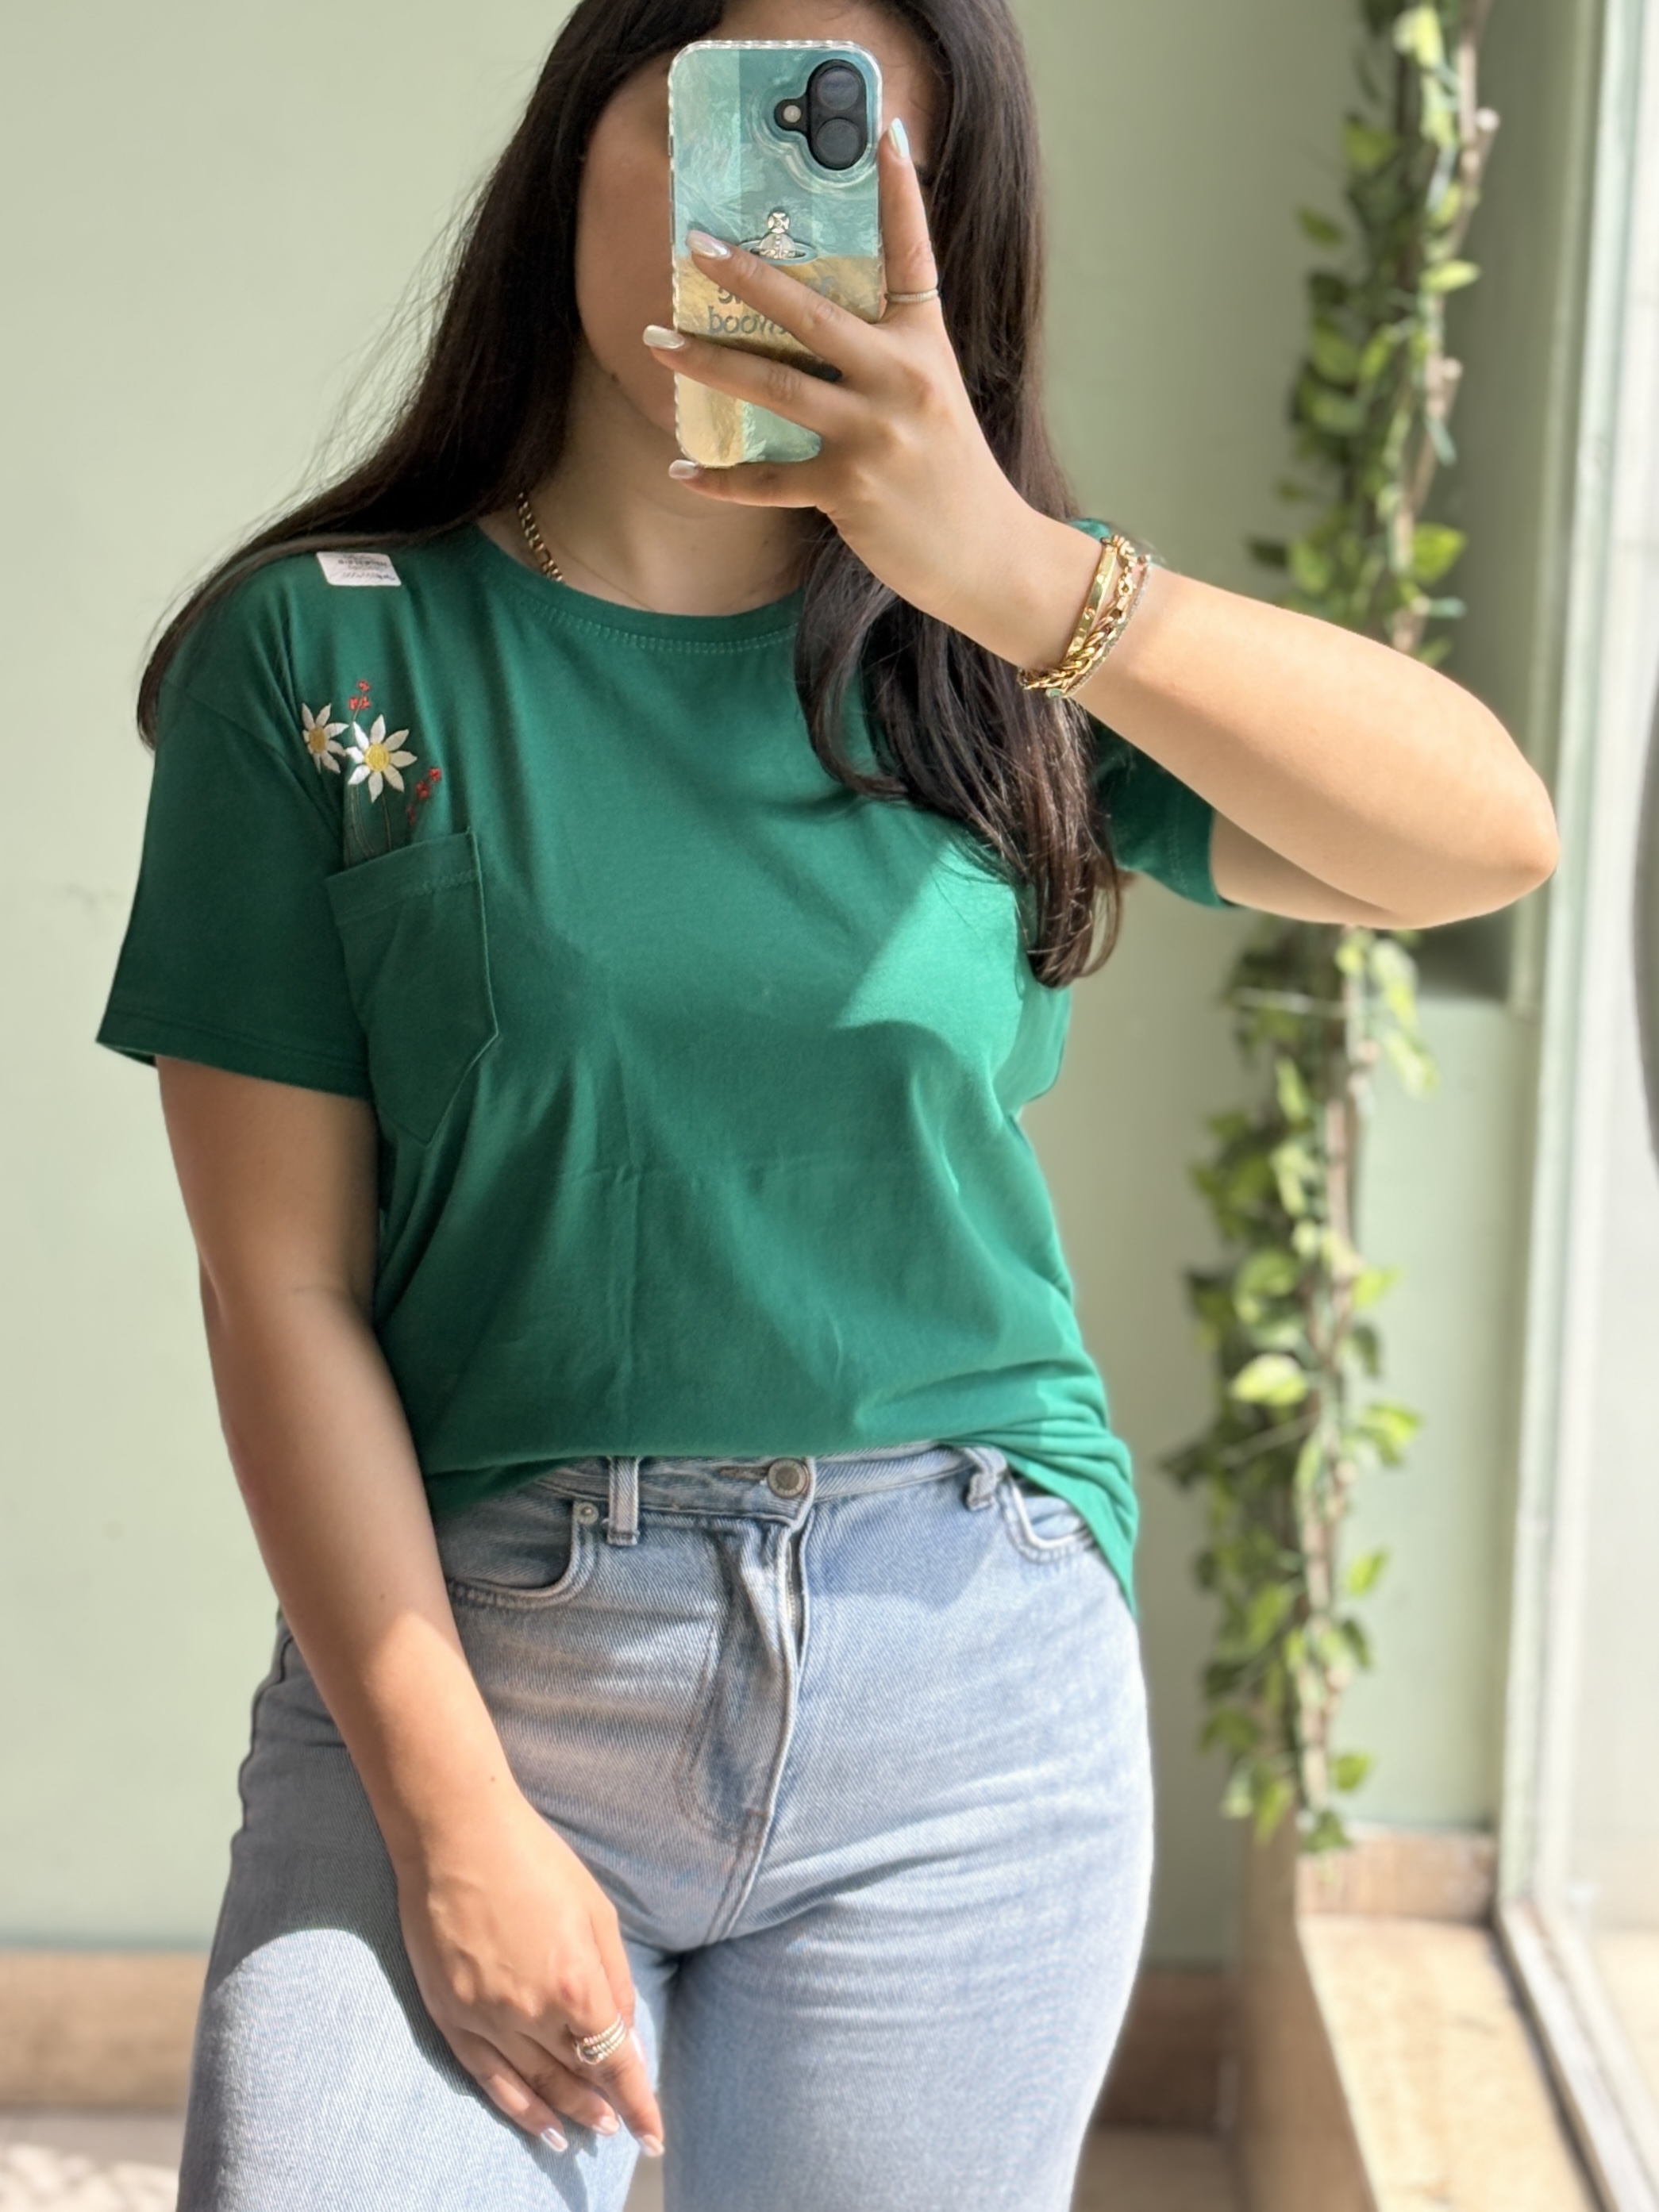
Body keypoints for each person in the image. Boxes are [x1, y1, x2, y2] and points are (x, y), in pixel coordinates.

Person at [96, 0, 1558, 2206]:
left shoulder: (1002, 653)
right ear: (578, 137)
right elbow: (274, 1283)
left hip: (962, 1670)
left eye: (853, 155)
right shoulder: (325, 659)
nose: (759, 218)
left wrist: (1021, 572)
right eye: (721, 120)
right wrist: (450, 1811)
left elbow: (1481, 839)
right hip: (474, 1656)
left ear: (942, 240)